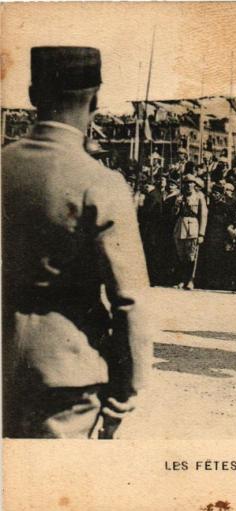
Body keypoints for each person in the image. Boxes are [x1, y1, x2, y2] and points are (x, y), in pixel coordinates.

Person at [2, 46, 152, 438]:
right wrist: (125, 391)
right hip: (65, 375)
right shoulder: (101, 183)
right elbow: (129, 300)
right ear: (97, 100)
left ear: (34, 95)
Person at [173, 174, 208, 290]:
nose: (188, 185)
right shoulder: (180, 196)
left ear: (194, 184)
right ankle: (182, 279)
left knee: (192, 255)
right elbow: (174, 213)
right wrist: (177, 205)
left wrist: (201, 233)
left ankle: (190, 280)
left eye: (191, 183)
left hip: (193, 227)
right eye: (186, 183)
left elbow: (203, 215)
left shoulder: (199, 197)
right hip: (180, 226)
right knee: (181, 255)